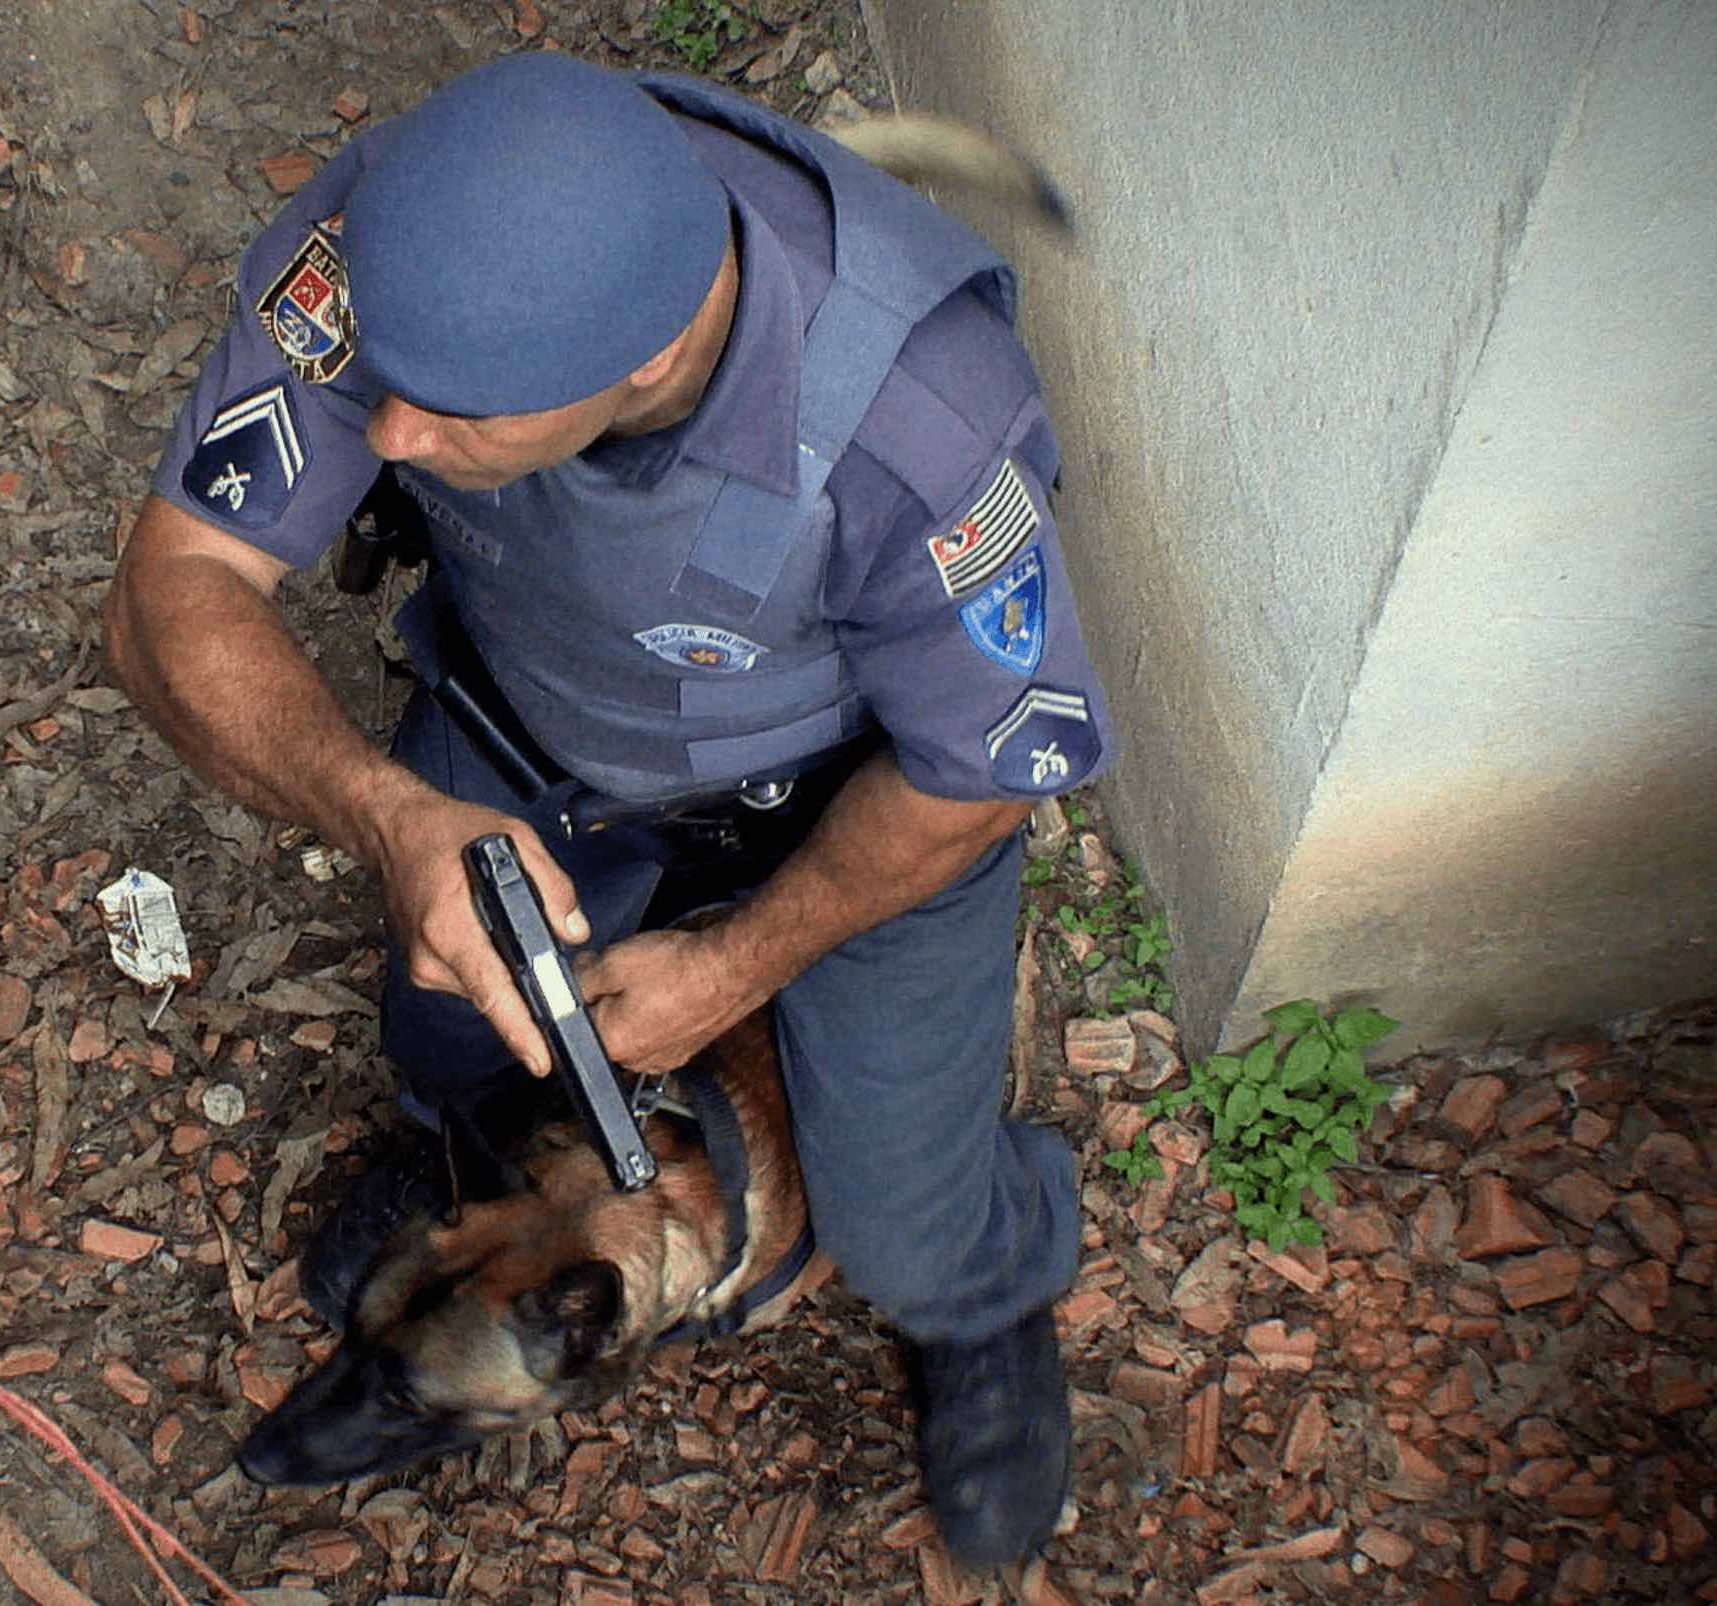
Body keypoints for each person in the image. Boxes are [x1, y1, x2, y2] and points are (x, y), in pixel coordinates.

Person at [101, 53, 1112, 1569]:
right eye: (398, 385)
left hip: (844, 807)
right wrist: (394, 820)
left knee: (897, 1219)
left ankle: (984, 1291)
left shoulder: (922, 431)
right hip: (537, 735)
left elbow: (977, 778)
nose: (390, 437)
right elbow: (167, 592)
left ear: (644, 366)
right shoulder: (403, 235)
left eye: (456, 414)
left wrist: (736, 965)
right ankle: (487, 1194)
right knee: (450, 1036)